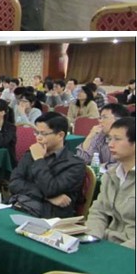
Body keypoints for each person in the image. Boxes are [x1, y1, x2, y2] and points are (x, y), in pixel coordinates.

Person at [9, 113, 86, 218]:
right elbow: (14, 183)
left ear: (60, 135)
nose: (38, 138)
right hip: (22, 205)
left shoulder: (75, 164)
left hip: (50, 216)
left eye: (43, 134)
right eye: (36, 133)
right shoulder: (32, 153)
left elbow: (51, 189)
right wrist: (47, 197)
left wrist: (39, 160)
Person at [86, 117, 135, 248]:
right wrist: (92, 238)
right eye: (109, 138)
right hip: (106, 242)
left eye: (117, 139)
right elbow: (98, 211)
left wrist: (120, 253)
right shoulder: (111, 175)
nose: (110, 144)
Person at [76, 103, 129, 169]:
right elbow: (81, 160)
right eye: (100, 118)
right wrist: (90, 136)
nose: (100, 121)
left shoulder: (129, 138)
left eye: (104, 117)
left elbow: (125, 165)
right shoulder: (100, 135)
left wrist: (104, 166)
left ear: (119, 120)